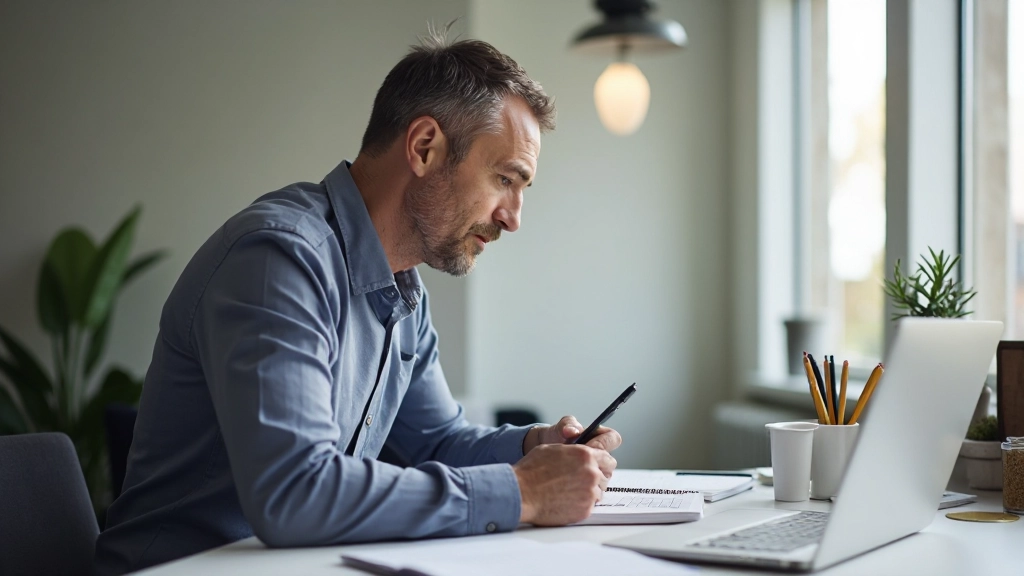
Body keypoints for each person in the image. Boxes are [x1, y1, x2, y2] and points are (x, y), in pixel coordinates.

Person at [94, 27, 621, 575]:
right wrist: (522, 491)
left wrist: (535, 448)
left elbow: (433, 443)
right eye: (505, 179)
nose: (513, 217)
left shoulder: (403, 292)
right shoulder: (279, 260)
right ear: (424, 148)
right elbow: (294, 493)